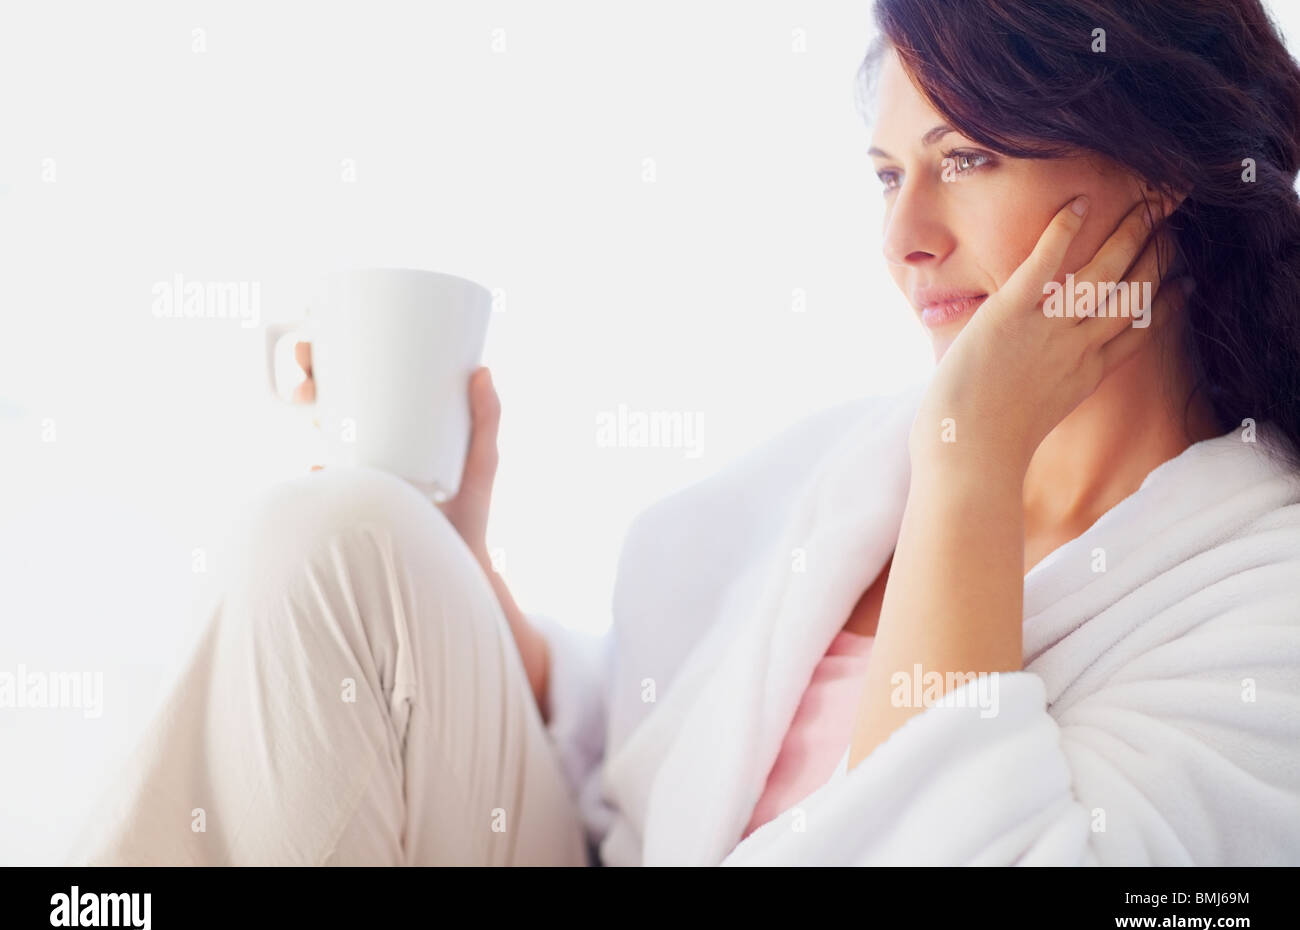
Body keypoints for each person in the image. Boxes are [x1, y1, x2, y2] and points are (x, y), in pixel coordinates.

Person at [74, 0, 1300, 865]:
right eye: (887, 176)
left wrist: (970, 469)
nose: (903, 240)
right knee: (338, 538)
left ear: (1163, 174)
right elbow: (640, 744)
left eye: (965, 158)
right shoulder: (848, 472)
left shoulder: (1260, 607)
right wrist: (459, 563)